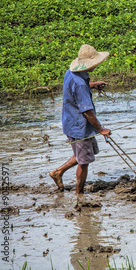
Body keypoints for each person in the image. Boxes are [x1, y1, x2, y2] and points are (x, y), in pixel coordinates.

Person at [49, 44, 112, 195]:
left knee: (82, 155)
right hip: (80, 127)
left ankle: (58, 172)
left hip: (71, 123)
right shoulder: (80, 84)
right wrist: (101, 129)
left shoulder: (71, 73)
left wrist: (92, 84)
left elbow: (76, 88)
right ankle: (79, 195)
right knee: (84, 162)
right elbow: (88, 112)